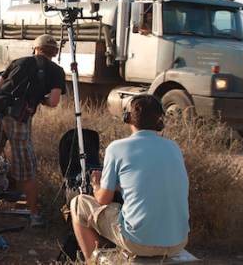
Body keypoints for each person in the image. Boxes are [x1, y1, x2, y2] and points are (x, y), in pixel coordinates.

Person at [70, 94, 190, 260]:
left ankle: (91, 261)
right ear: (159, 122)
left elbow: (103, 199)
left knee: (78, 204)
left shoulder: (117, 148)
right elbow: (153, 185)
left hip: (139, 242)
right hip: (178, 241)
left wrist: (97, 184)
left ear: (128, 119)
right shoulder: (174, 147)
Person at [0, 34, 66, 228]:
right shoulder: (57, 71)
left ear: (36, 49)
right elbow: (53, 101)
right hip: (18, 119)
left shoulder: (18, 61)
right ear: (55, 53)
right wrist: (38, 99)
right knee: (26, 168)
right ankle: (35, 215)